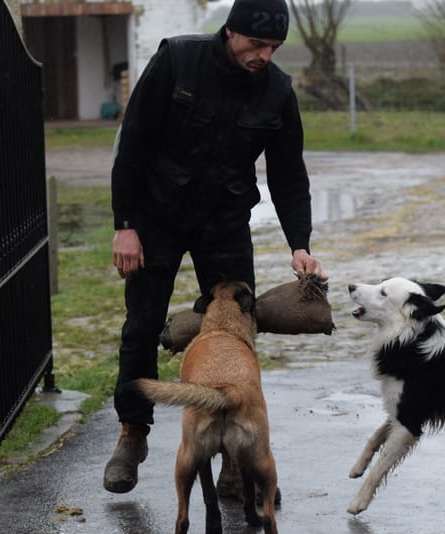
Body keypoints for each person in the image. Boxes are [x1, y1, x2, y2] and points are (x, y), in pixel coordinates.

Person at [104, 0, 328, 494]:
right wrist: (125, 225)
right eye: (256, 44)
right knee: (141, 326)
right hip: (156, 218)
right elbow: (133, 142)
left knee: (236, 335)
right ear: (230, 33)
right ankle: (132, 433)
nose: (265, 56)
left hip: (224, 221)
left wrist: (300, 245)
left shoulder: (277, 91)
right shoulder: (178, 61)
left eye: (274, 47)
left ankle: (234, 456)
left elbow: (289, 174)